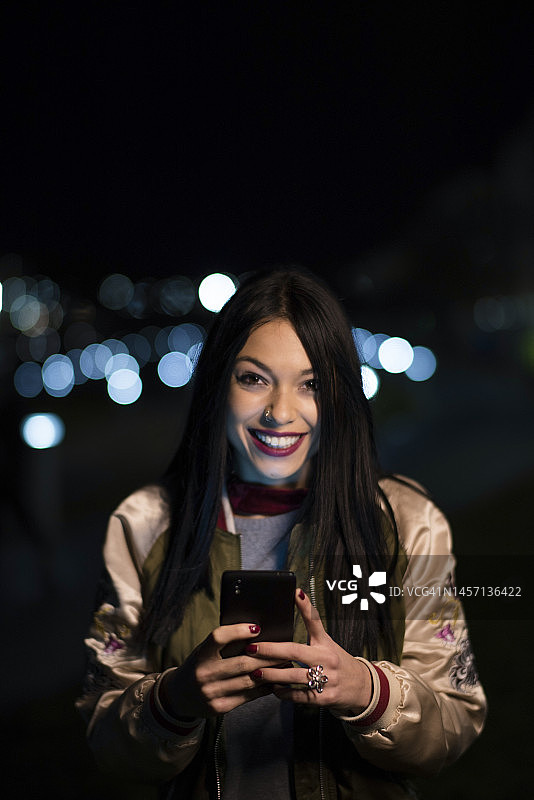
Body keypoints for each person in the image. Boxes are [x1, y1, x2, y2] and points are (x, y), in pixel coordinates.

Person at [76, 268, 486, 799]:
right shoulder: (146, 523)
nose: (280, 412)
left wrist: (365, 690)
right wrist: (174, 700)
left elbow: (455, 717)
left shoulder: (406, 521)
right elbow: (103, 734)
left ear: (340, 394)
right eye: (254, 378)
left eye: (311, 384)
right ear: (219, 382)